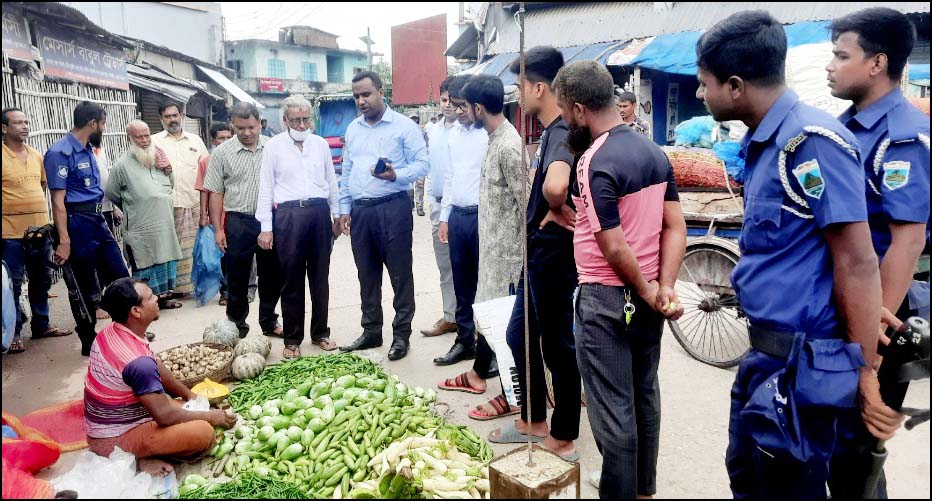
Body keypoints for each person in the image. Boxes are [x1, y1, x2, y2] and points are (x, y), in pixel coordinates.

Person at [694, 11, 903, 498]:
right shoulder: (764, 144)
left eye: (705, 85)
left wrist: (866, 373)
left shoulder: (809, 143)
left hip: (803, 368)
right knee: (749, 478)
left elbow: (857, 260)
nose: (701, 95)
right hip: (764, 359)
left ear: (736, 86)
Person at [555, 60, 685, 498]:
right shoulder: (654, 152)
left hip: (606, 299)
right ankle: (643, 490)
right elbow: (675, 227)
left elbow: (612, 246)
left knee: (614, 413)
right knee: (644, 395)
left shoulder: (594, 159)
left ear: (577, 109)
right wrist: (662, 287)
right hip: (648, 299)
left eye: (563, 110)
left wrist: (649, 289)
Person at [826, 8, 929, 499]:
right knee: (835, 446)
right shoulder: (846, 126)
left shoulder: (903, 136)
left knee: (857, 456)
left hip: (880, 310)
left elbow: (907, 240)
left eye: (841, 55)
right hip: (843, 304)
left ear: (876, 63)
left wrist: (870, 341)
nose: (830, 65)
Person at [488, 46, 583, 460]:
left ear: (540, 87)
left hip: (552, 253)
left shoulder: (562, 131)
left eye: (520, 86)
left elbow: (558, 186)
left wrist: (555, 207)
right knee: (518, 334)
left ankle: (563, 435)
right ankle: (532, 419)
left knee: (557, 343)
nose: (517, 93)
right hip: (538, 252)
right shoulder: (549, 132)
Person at [84, 277, 237, 476]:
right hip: (113, 441)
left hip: (120, 420)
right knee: (203, 433)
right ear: (136, 311)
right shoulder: (138, 363)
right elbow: (164, 416)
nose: (157, 298)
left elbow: (156, 364)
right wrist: (210, 416)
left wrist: (191, 396)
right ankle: (138, 461)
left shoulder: (112, 331)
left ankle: (151, 446)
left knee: (186, 408)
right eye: (150, 297)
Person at [337, 70, 429, 361]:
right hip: (361, 212)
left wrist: (395, 175)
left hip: (393, 207)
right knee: (367, 274)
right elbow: (347, 171)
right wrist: (344, 208)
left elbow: (423, 164)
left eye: (366, 94)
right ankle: (371, 331)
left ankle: (401, 335)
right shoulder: (353, 129)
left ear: (380, 92)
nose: (361, 101)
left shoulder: (403, 127)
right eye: (356, 97)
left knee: (400, 275)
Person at [452, 74, 526, 421]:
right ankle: (478, 375)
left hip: (508, 257)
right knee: (487, 318)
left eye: (466, 107)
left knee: (507, 329)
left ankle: (513, 396)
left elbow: (527, 205)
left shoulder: (509, 145)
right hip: (492, 251)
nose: (463, 113)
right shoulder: (495, 140)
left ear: (479, 108)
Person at [256, 96, 340, 358]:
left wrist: (336, 214)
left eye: (306, 119)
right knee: (291, 280)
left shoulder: (320, 145)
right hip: (289, 215)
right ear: (285, 121)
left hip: (319, 212)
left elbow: (331, 181)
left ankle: (321, 333)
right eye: (296, 120)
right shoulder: (273, 147)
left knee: (320, 278)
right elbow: (266, 187)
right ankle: (292, 339)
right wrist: (266, 227)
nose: (302, 125)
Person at [44, 101, 130, 356]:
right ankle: (88, 340)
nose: (103, 129)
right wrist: (64, 240)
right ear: (93, 123)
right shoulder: (60, 153)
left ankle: (125, 332)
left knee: (120, 274)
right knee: (83, 286)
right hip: (76, 223)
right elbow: (58, 202)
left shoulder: (88, 149)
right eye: (102, 124)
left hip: (97, 220)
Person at [203, 103, 283, 338]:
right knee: (236, 277)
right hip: (238, 221)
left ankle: (269, 321)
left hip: (270, 220)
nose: (247, 133)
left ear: (259, 122)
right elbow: (215, 192)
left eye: (251, 127)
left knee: (272, 274)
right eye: (240, 128)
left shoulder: (274, 148)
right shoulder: (222, 153)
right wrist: (218, 229)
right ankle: (237, 326)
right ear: (232, 125)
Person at [2, 108, 73, 354]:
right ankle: (14, 333)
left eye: (26, 121)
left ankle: (41, 324)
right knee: (14, 284)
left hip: (39, 232)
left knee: (41, 279)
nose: (24, 126)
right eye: (18, 123)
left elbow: (42, 186)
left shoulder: (36, 156)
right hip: (9, 234)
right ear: (4, 128)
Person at [434, 75, 489, 365]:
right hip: (458, 217)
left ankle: (489, 349)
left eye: (462, 106)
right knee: (462, 284)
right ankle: (465, 341)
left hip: (483, 217)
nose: (457, 111)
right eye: (454, 105)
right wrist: (445, 218)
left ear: (476, 105)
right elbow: (451, 177)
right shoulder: (453, 134)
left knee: (486, 285)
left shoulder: (488, 134)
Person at [105, 121, 183, 309]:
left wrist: (168, 169)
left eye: (147, 135)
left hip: (163, 222)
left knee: (165, 259)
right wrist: (133, 204)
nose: (144, 140)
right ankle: (145, 304)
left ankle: (163, 299)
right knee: (146, 262)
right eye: (139, 136)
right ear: (130, 139)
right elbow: (112, 192)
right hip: (141, 224)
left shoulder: (158, 158)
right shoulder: (122, 165)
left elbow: (169, 184)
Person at [151, 102, 209, 300]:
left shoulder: (195, 140)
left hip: (194, 203)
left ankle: (195, 286)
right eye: (167, 116)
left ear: (181, 116)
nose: (172, 119)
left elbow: (206, 171)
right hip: (168, 205)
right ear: (161, 119)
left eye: (175, 115)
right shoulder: (153, 142)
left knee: (196, 248)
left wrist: (206, 208)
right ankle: (172, 289)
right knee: (171, 248)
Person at [196, 122, 257, 306]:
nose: (225, 141)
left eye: (227, 137)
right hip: (220, 216)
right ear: (213, 140)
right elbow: (205, 190)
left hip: (239, 213)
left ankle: (250, 288)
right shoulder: (207, 161)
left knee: (249, 255)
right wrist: (204, 216)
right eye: (220, 138)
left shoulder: (245, 155)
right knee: (225, 256)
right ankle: (226, 291)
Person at [421, 76, 459, 338]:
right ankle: (450, 316)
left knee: (468, 266)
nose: (448, 105)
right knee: (445, 266)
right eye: (444, 100)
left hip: (463, 207)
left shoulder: (474, 131)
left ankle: (470, 319)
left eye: (452, 100)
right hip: (437, 205)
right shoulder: (432, 131)